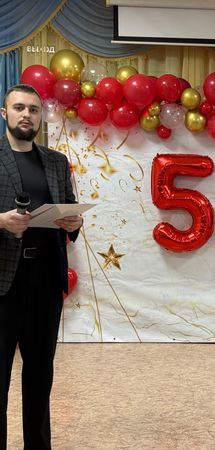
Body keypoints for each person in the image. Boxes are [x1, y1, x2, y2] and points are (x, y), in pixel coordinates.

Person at [0, 84, 83, 449]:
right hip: (3, 284)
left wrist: (74, 221)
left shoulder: (56, 161)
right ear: (5, 113)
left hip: (45, 283)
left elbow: (70, 208)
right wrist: (1, 221)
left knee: (39, 378)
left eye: (33, 110)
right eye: (19, 108)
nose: (27, 115)